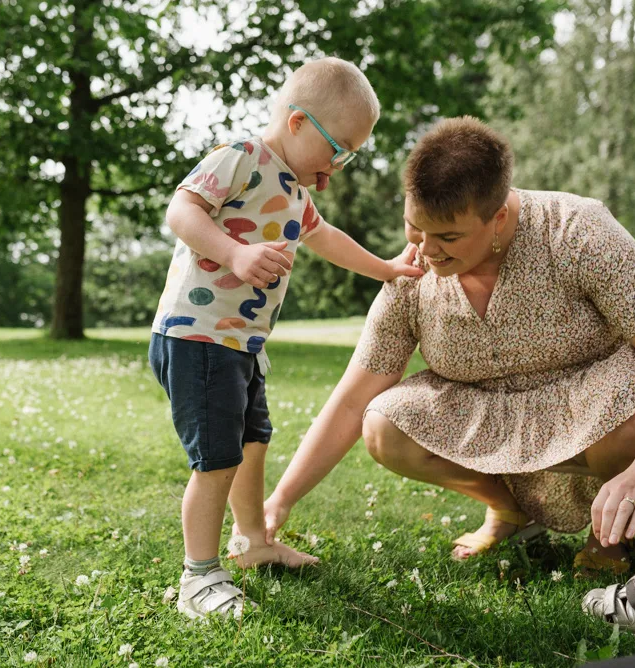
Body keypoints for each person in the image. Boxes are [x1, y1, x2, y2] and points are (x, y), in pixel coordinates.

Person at [264, 116, 635, 572]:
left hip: (599, 409)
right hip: (493, 416)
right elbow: (351, 400)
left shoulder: (578, 231)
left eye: (448, 236)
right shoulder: (412, 272)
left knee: (632, 414)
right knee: (383, 423)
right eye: (414, 227)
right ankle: (507, 510)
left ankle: (612, 537)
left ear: (497, 217)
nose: (427, 249)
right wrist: (279, 501)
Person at [148, 57, 423, 620]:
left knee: (253, 443)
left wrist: (388, 269)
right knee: (217, 460)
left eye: (350, 155)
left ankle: (251, 543)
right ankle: (197, 577)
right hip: (197, 339)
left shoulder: (295, 190)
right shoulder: (240, 159)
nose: (339, 166)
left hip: (241, 344)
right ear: (297, 123)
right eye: (338, 149)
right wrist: (234, 252)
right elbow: (182, 210)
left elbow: (330, 240)